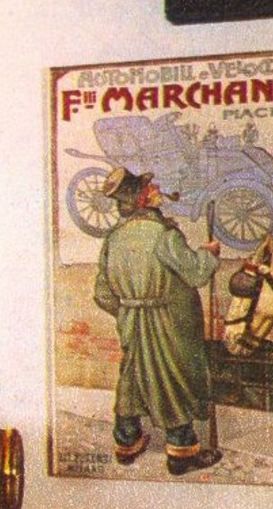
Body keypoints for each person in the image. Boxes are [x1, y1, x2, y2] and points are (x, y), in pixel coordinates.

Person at [92, 167, 223, 476]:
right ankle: (181, 452)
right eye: (149, 188)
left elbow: (102, 293)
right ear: (142, 199)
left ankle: (127, 442)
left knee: (133, 379)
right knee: (171, 378)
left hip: (132, 321)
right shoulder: (165, 236)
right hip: (167, 322)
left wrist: (130, 311)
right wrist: (210, 254)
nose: (156, 189)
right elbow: (196, 273)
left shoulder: (113, 239)